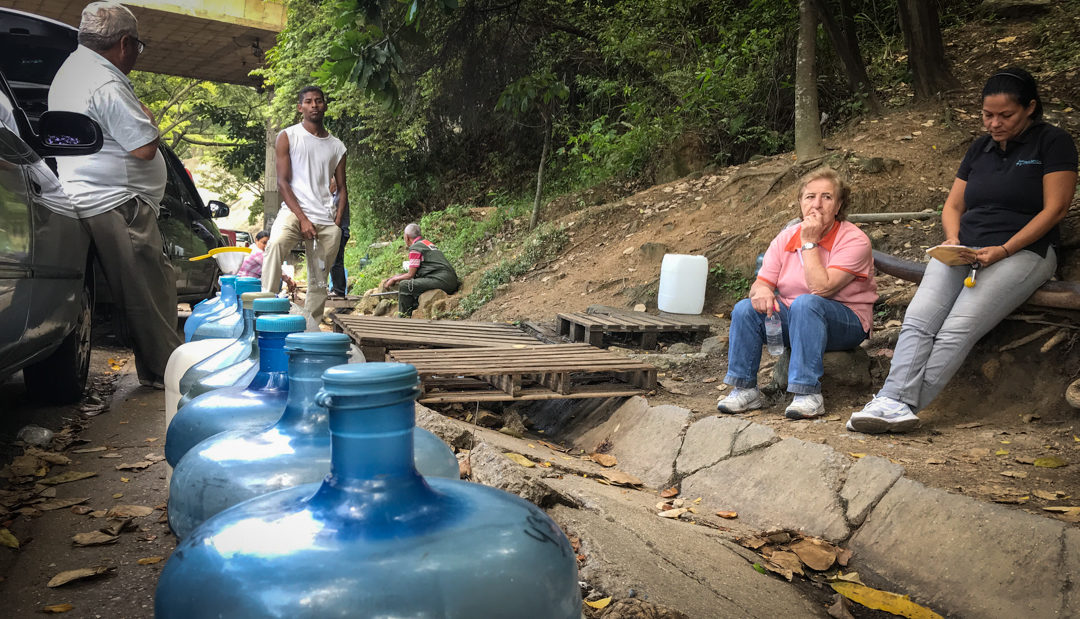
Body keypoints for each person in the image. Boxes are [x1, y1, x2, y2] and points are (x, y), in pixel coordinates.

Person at [848, 67, 1078, 434]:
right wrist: (952, 239)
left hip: (1024, 252)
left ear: (1030, 108)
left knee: (957, 327)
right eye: (987, 115)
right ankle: (893, 401)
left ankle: (899, 404)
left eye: (1006, 115)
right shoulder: (979, 147)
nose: (994, 123)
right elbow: (953, 206)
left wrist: (1003, 250)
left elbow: (1056, 209)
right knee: (919, 319)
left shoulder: (1052, 142)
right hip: (963, 248)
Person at [48, 1, 180, 389]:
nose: (137, 54)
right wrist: (149, 120)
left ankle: (160, 368)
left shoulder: (79, 69)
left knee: (149, 284)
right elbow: (143, 145)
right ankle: (167, 373)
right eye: (138, 46)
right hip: (117, 200)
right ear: (125, 43)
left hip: (103, 195)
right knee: (148, 291)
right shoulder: (104, 81)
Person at [716, 168, 877, 419]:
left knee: (806, 303)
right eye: (810, 197)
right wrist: (763, 291)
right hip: (796, 317)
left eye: (827, 197)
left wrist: (809, 243)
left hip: (846, 322)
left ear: (839, 205)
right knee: (745, 309)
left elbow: (820, 288)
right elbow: (761, 283)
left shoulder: (854, 239)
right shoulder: (786, 237)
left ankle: (807, 392)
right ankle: (745, 389)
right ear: (800, 203)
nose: (817, 204)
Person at [262, 85, 347, 323]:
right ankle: (265, 309)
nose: (314, 105)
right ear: (300, 107)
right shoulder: (288, 136)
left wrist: (337, 220)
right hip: (293, 210)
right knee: (275, 245)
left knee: (319, 278)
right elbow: (282, 183)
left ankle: (311, 325)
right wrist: (302, 219)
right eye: (308, 101)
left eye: (318, 101)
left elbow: (342, 188)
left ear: (325, 105)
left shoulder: (337, 146)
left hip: (325, 217)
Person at [380, 223, 460, 317]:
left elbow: (410, 275)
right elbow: (417, 269)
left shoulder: (415, 248)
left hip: (441, 280)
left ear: (406, 237)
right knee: (413, 284)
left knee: (405, 285)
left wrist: (394, 280)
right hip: (451, 279)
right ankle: (414, 308)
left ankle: (403, 318)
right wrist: (398, 276)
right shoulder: (426, 243)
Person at [329, 177, 350, 297]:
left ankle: (339, 290)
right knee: (334, 260)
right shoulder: (334, 197)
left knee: (336, 261)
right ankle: (336, 289)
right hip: (339, 231)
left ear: (334, 185)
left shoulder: (338, 198)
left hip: (341, 231)